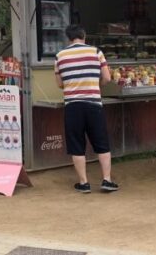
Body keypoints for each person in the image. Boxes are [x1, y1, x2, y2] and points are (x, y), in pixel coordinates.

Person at [54, 24, 119, 193]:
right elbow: (106, 77)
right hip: (93, 104)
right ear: (84, 36)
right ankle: (107, 180)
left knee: (76, 144)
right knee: (101, 142)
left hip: (72, 106)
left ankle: (84, 183)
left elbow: (60, 84)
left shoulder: (59, 56)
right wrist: (95, 85)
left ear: (68, 38)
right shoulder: (96, 52)